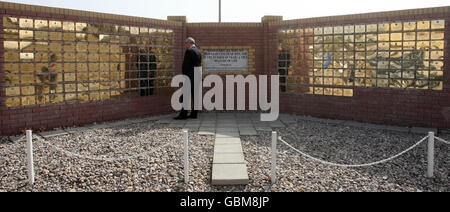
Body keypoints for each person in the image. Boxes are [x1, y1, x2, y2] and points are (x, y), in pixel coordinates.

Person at [174, 37, 202, 120]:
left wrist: (184, 75)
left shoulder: (189, 51)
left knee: (185, 96)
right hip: (197, 76)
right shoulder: (198, 51)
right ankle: (194, 114)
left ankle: (183, 115)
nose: (185, 45)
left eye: (186, 43)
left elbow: (186, 65)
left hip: (189, 76)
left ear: (189, 43)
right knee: (195, 96)